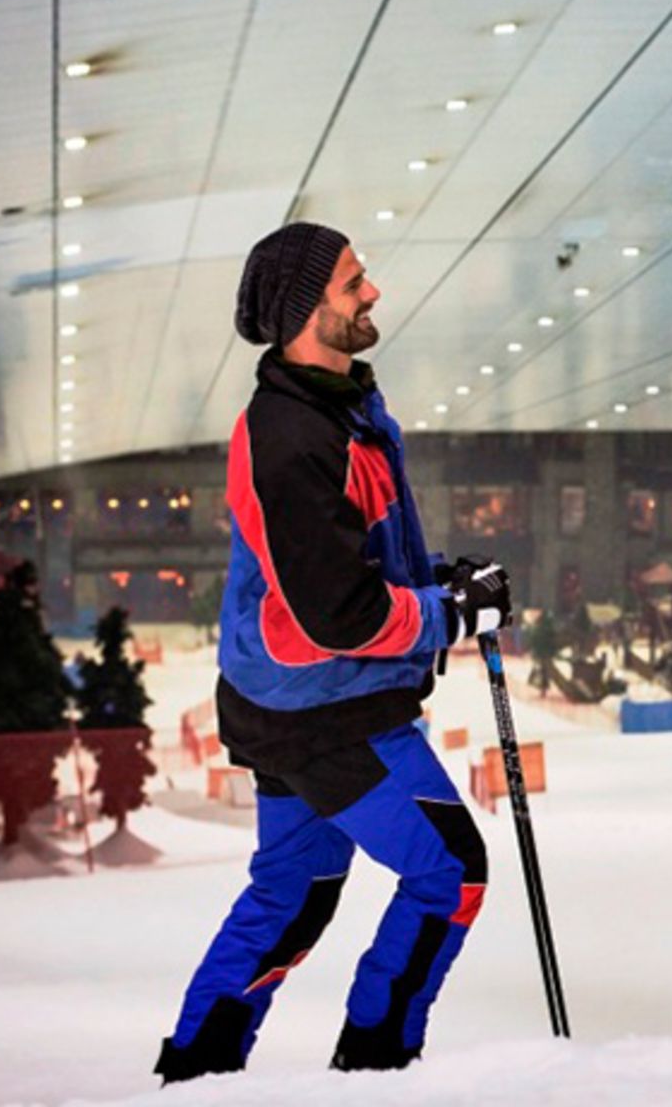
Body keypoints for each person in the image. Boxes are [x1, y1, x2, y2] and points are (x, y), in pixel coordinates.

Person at [155, 222, 513, 1082]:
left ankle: (196, 1074)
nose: (373, 292)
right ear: (306, 309)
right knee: (450, 872)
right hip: (323, 703)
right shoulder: (290, 437)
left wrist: (438, 579)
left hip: (293, 695)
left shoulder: (340, 403)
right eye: (355, 282)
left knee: (298, 888)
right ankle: (377, 1066)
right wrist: (449, 613)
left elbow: (352, 561)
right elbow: (339, 616)